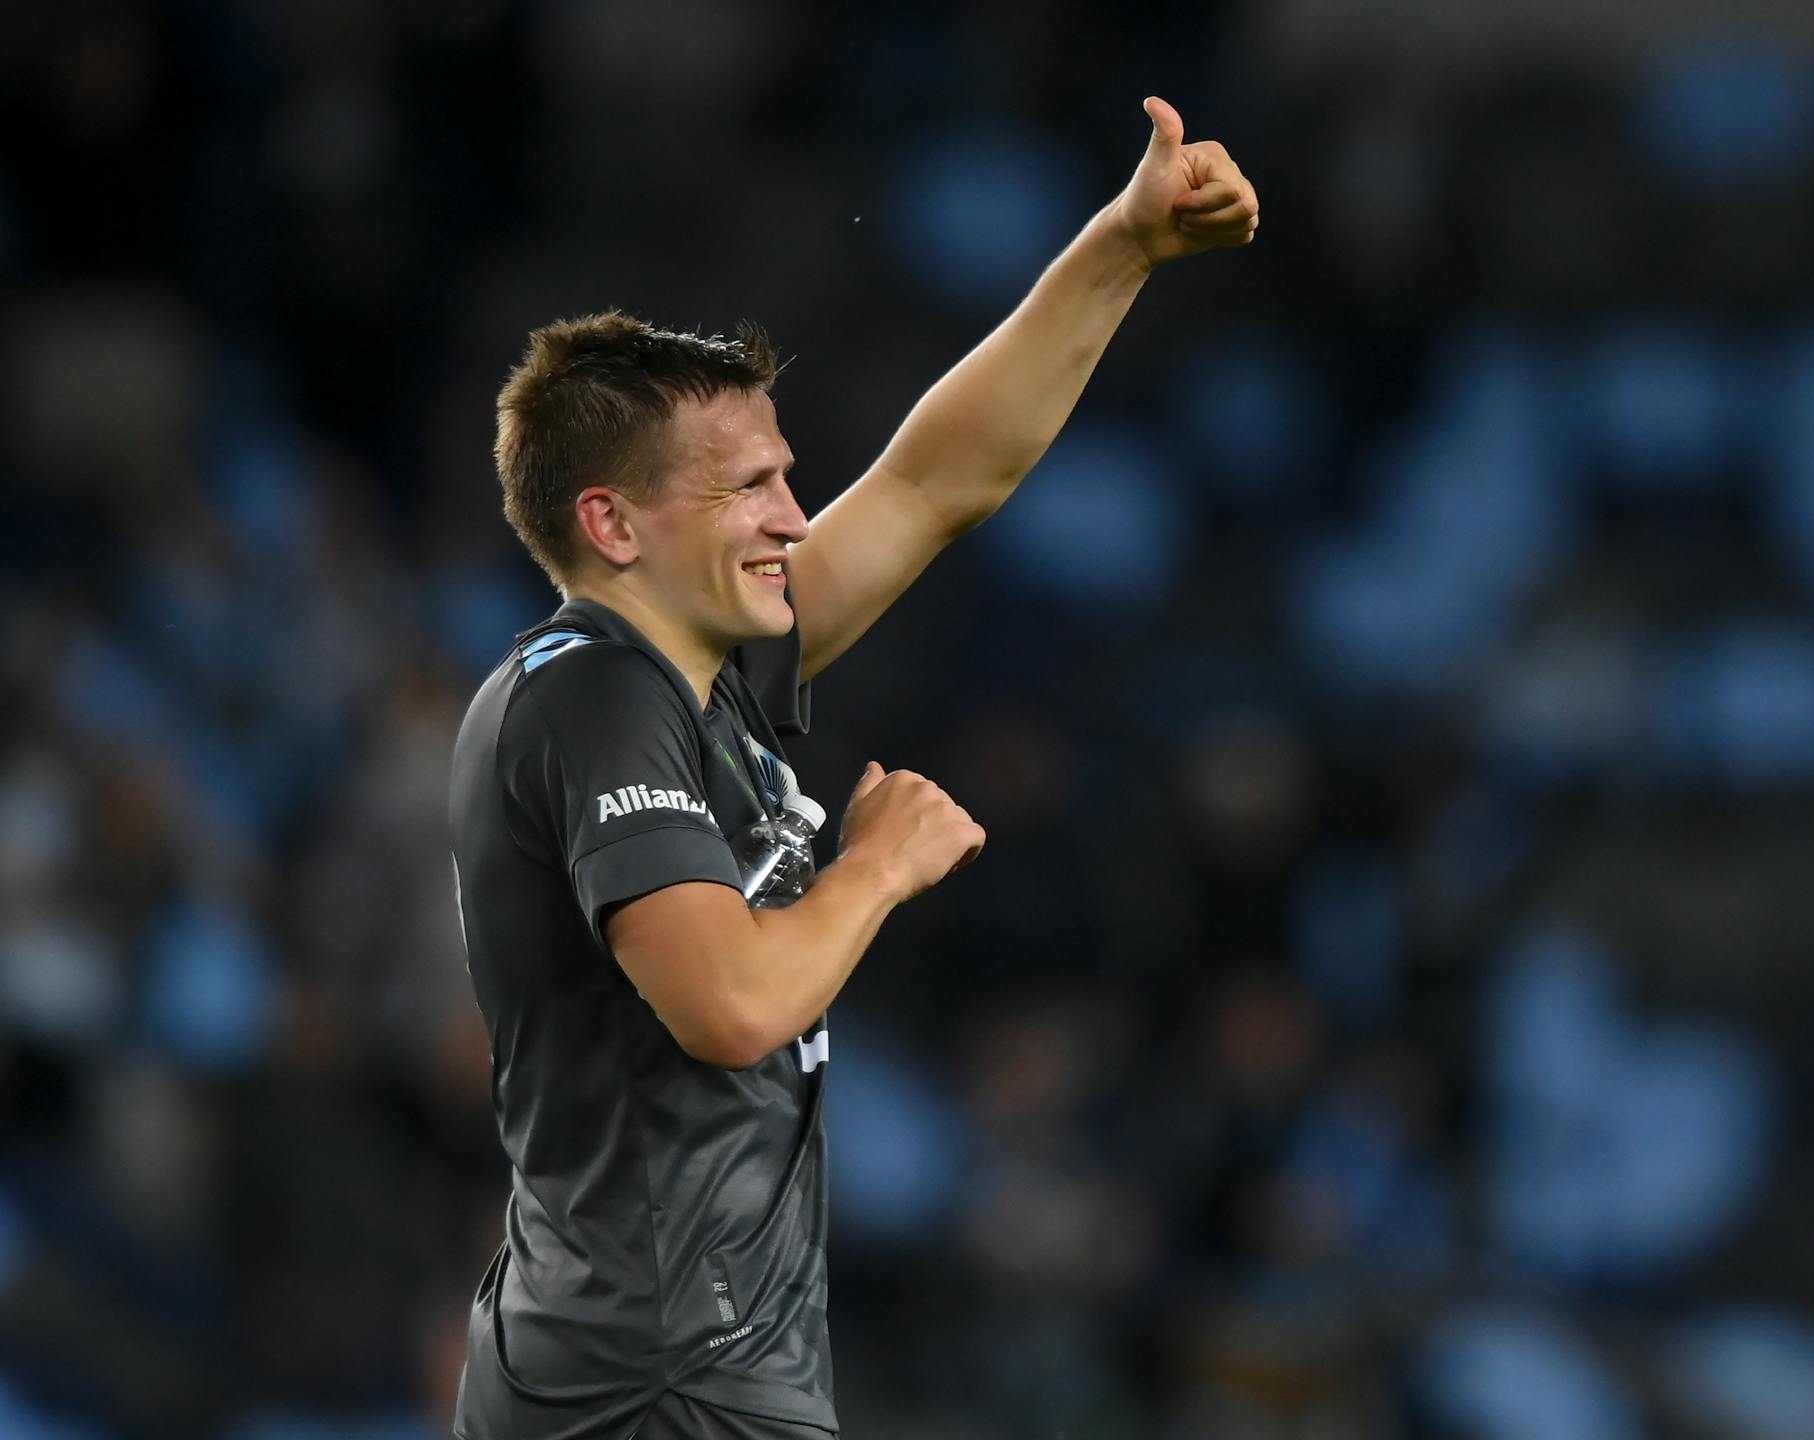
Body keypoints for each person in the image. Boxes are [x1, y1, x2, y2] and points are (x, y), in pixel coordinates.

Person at [446, 97, 1258, 1440]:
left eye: (785, 475)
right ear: (614, 522)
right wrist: (875, 866)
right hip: (645, 1383)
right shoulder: (591, 696)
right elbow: (730, 1002)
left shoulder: (700, 675)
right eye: (748, 488)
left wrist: (1122, 246)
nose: (788, 514)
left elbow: (942, 479)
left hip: (687, 1371)